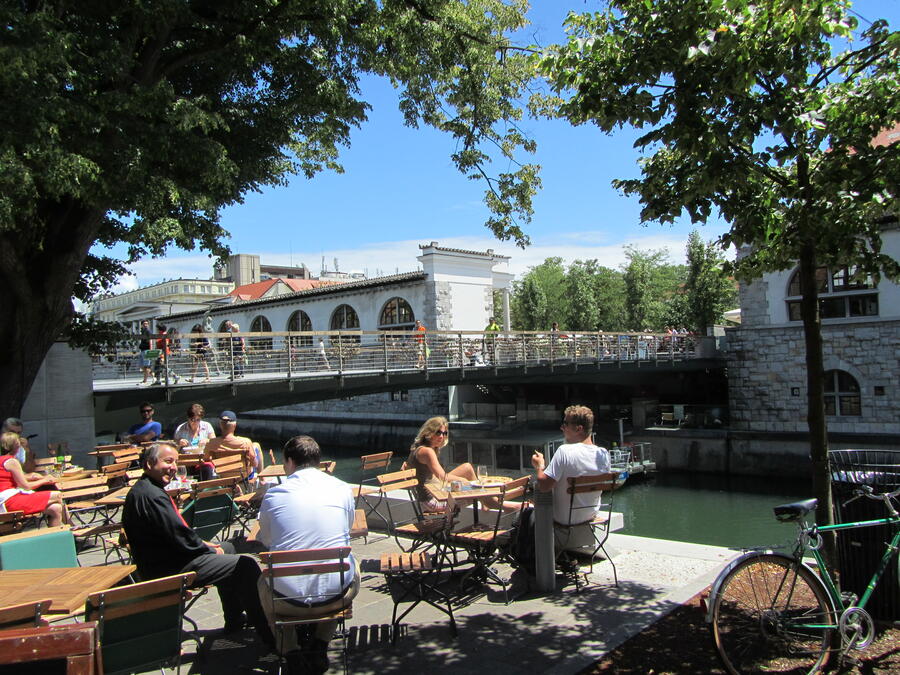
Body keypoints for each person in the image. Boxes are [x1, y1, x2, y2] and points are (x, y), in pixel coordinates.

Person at [122, 442, 274, 646]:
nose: (174, 467)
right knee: (244, 566)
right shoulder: (152, 496)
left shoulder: (143, 489)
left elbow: (174, 533)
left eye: (176, 462)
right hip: (171, 568)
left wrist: (210, 546)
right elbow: (179, 537)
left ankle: (234, 620)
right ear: (149, 464)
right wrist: (208, 548)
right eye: (168, 461)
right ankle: (269, 633)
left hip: (163, 559)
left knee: (229, 548)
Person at [256, 435, 359, 670]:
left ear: (290, 461)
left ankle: (290, 650)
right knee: (351, 566)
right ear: (317, 461)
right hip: (336, 597)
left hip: (286, 600)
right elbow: (348, 527)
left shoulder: (274, 494)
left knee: (265, 581)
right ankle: (321, 643)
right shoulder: (343, 489)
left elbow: (268, 540)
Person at [531, 405, 611, 550]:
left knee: (526, 514)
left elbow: (544, 486)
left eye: (566, 424)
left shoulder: (564, 451)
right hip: (590, 516)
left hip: (564, 519)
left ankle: (531, 560)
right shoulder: (604, 453)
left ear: (579, 429)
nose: (562, 428)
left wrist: (539, 466)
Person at [404, 416, 477, 511]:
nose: (442, 436)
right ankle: (494, 503)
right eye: (438, 432)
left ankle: (487, 501)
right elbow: (442, 477)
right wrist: (465, 481)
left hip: (435, 491)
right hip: (433, 501)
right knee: (475, 494)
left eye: (444, 433)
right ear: (429, 432)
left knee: (467, 467)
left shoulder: (419, 448)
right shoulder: (427, 451)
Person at [0, 432, 67, 526]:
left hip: (5, 501)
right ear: (16, 445)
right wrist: (45, 480)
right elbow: (26, 486)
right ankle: (71, 528)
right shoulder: (12, 461)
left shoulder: (2, 459)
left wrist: (32, 476)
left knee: (55, 508)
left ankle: (55, 538)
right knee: (58, 495)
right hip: (9, 501)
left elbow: (12, 478)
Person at [203, 410, 260, 477]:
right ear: (235, 425)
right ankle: (262, 479)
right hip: (243, 477)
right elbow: (255, 464)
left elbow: (206, 460)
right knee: (256, 445)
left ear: (220, 425)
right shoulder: (245, 442)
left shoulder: (211, 443)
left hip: (223, 477)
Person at [137, 319, 154, 385]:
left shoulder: (148, 331)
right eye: (144, 324)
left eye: (147, 324)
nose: (146, 325)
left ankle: (145, 381)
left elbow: (151, 340)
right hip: (142, 350)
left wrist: (151, 349)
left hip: (147, 350)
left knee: (146, 366)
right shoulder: (143, 331)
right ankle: (153, 376)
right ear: (142, 325)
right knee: (142, 366)